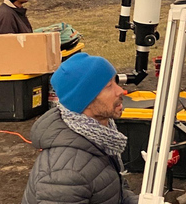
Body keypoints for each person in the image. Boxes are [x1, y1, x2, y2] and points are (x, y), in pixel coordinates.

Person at [22, 53, 138, 204]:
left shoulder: (102, 137)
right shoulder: (66, 173)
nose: (120, 91)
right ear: (85, 101)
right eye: (109, 86)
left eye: (115, 82)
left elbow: (115, 194)